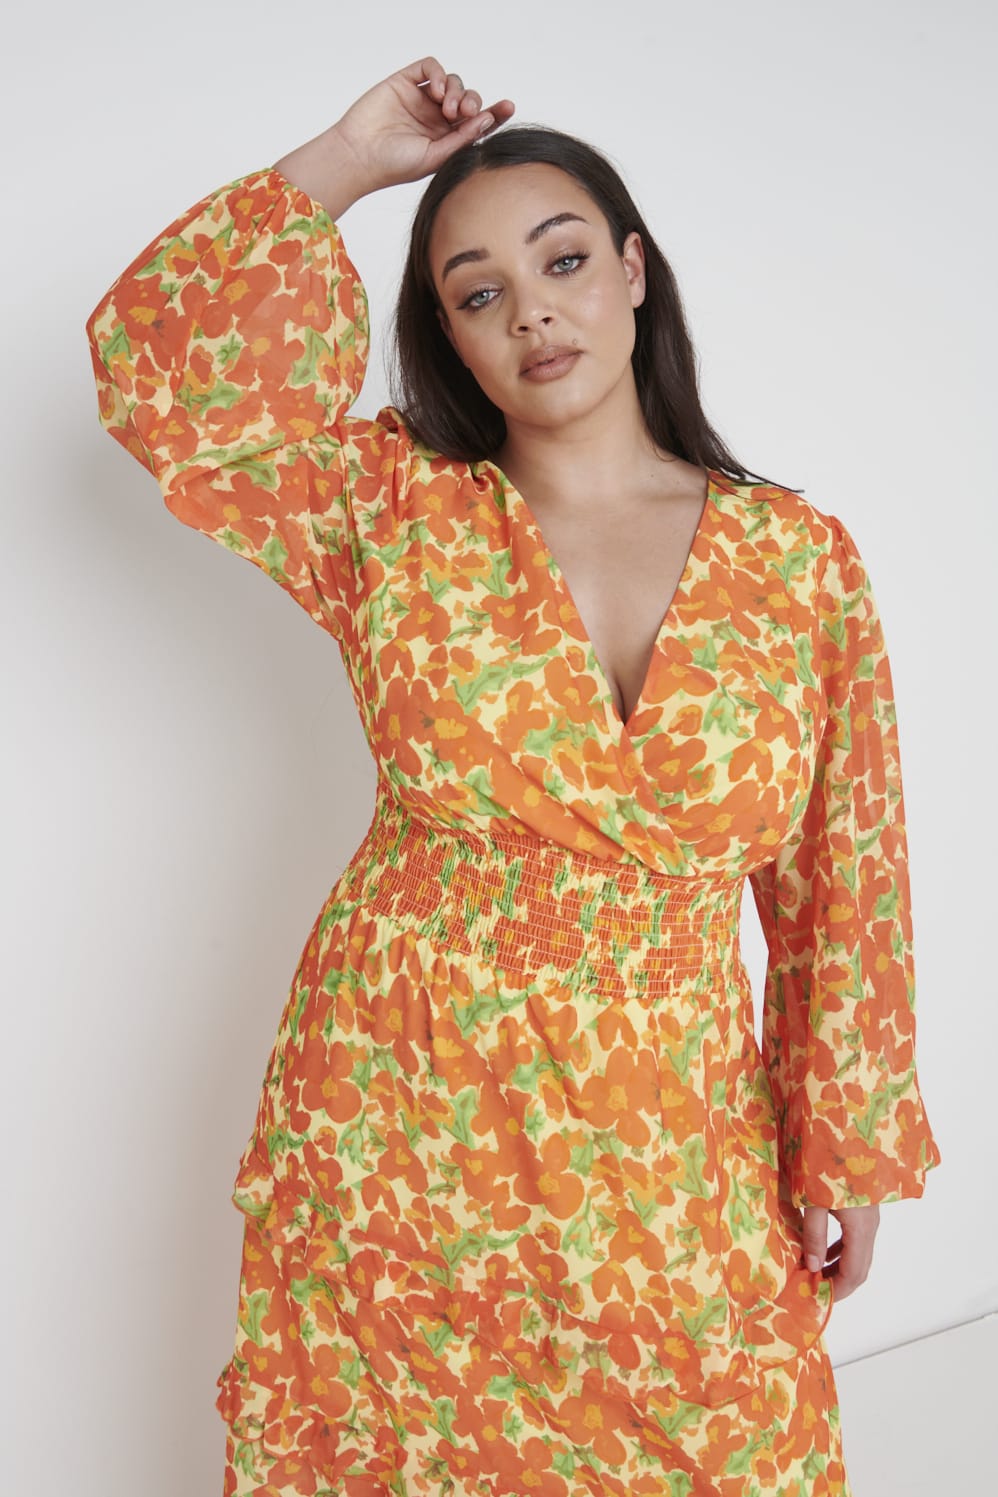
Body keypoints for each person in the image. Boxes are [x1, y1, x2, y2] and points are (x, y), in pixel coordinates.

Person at [85, 56, 940, 1497]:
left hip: (672, 1129)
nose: (532, 309)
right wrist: (351, 157)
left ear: (633, 272)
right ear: (453, 340)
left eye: (562, 261)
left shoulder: (798, 562)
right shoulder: (389, 515)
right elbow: (166, 385)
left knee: (733, 1444)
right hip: (402, 1101)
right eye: (477, 292)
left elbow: (842, 871)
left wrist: (839, 1142)